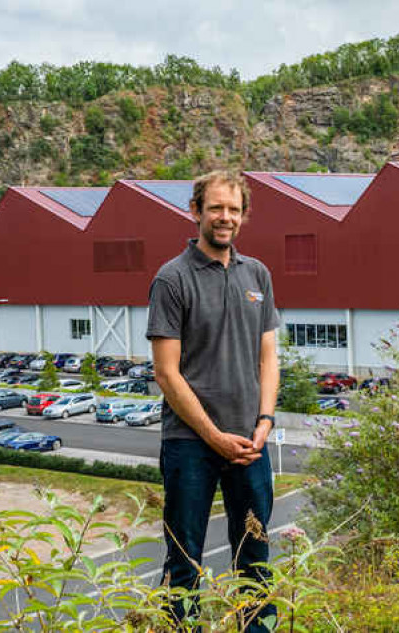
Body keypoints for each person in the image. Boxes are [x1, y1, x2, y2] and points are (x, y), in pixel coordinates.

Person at [146, 169, 280, 631]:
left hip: (250, 443)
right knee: (185, 561)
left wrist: (264, 421)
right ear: (195, 212)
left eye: (234, 209)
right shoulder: (172, 279)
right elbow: (166, 372)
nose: (225, 218)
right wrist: (213, 435)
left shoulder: (256, 274)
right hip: (190, 445)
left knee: (255, 558)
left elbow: (268, 358)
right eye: (216, 208)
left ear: (244, 216)